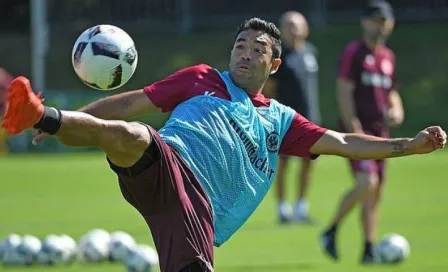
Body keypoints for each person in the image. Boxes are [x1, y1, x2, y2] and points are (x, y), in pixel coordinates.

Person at [2, 18, 445, 272]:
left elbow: (345, 140)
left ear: (274, 63)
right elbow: (134, 102)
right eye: (239, 45)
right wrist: (62, 121)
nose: (245, 53)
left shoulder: (281, 120)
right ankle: (38, 114)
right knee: (135, 137)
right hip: (166, 166)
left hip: (199, 212)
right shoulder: (201, 78)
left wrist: (410, 145)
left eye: (257, 49)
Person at [320, 0, 406, 264]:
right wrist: (354, 130)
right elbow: (344, 91)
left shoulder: (387, 57)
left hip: (381, 134)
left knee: (376, 190)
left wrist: (396, 111)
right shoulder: (354, 53)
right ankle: (331, 230)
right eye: (375, 20)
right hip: (358, 132)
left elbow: (392, 93)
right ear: (364, 22)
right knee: (366, 183)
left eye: (384, 21)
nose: (380, 25)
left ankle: (368, 248)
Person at [270, 11, 321, 224]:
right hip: (285, 120)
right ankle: (283, 208)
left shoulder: (311, 52)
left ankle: (301, 207)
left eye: (297, 25)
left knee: (308, 163)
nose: (293, 29)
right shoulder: (279, 57)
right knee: (282, 164)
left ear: (305, 28)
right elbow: (270, 88)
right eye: (288, 25)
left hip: (310, 118)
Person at [0, 67, 13, 156]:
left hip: (2, 108)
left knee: (2, 132)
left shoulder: (3, 75)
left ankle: (3, 150)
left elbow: (10, 89)